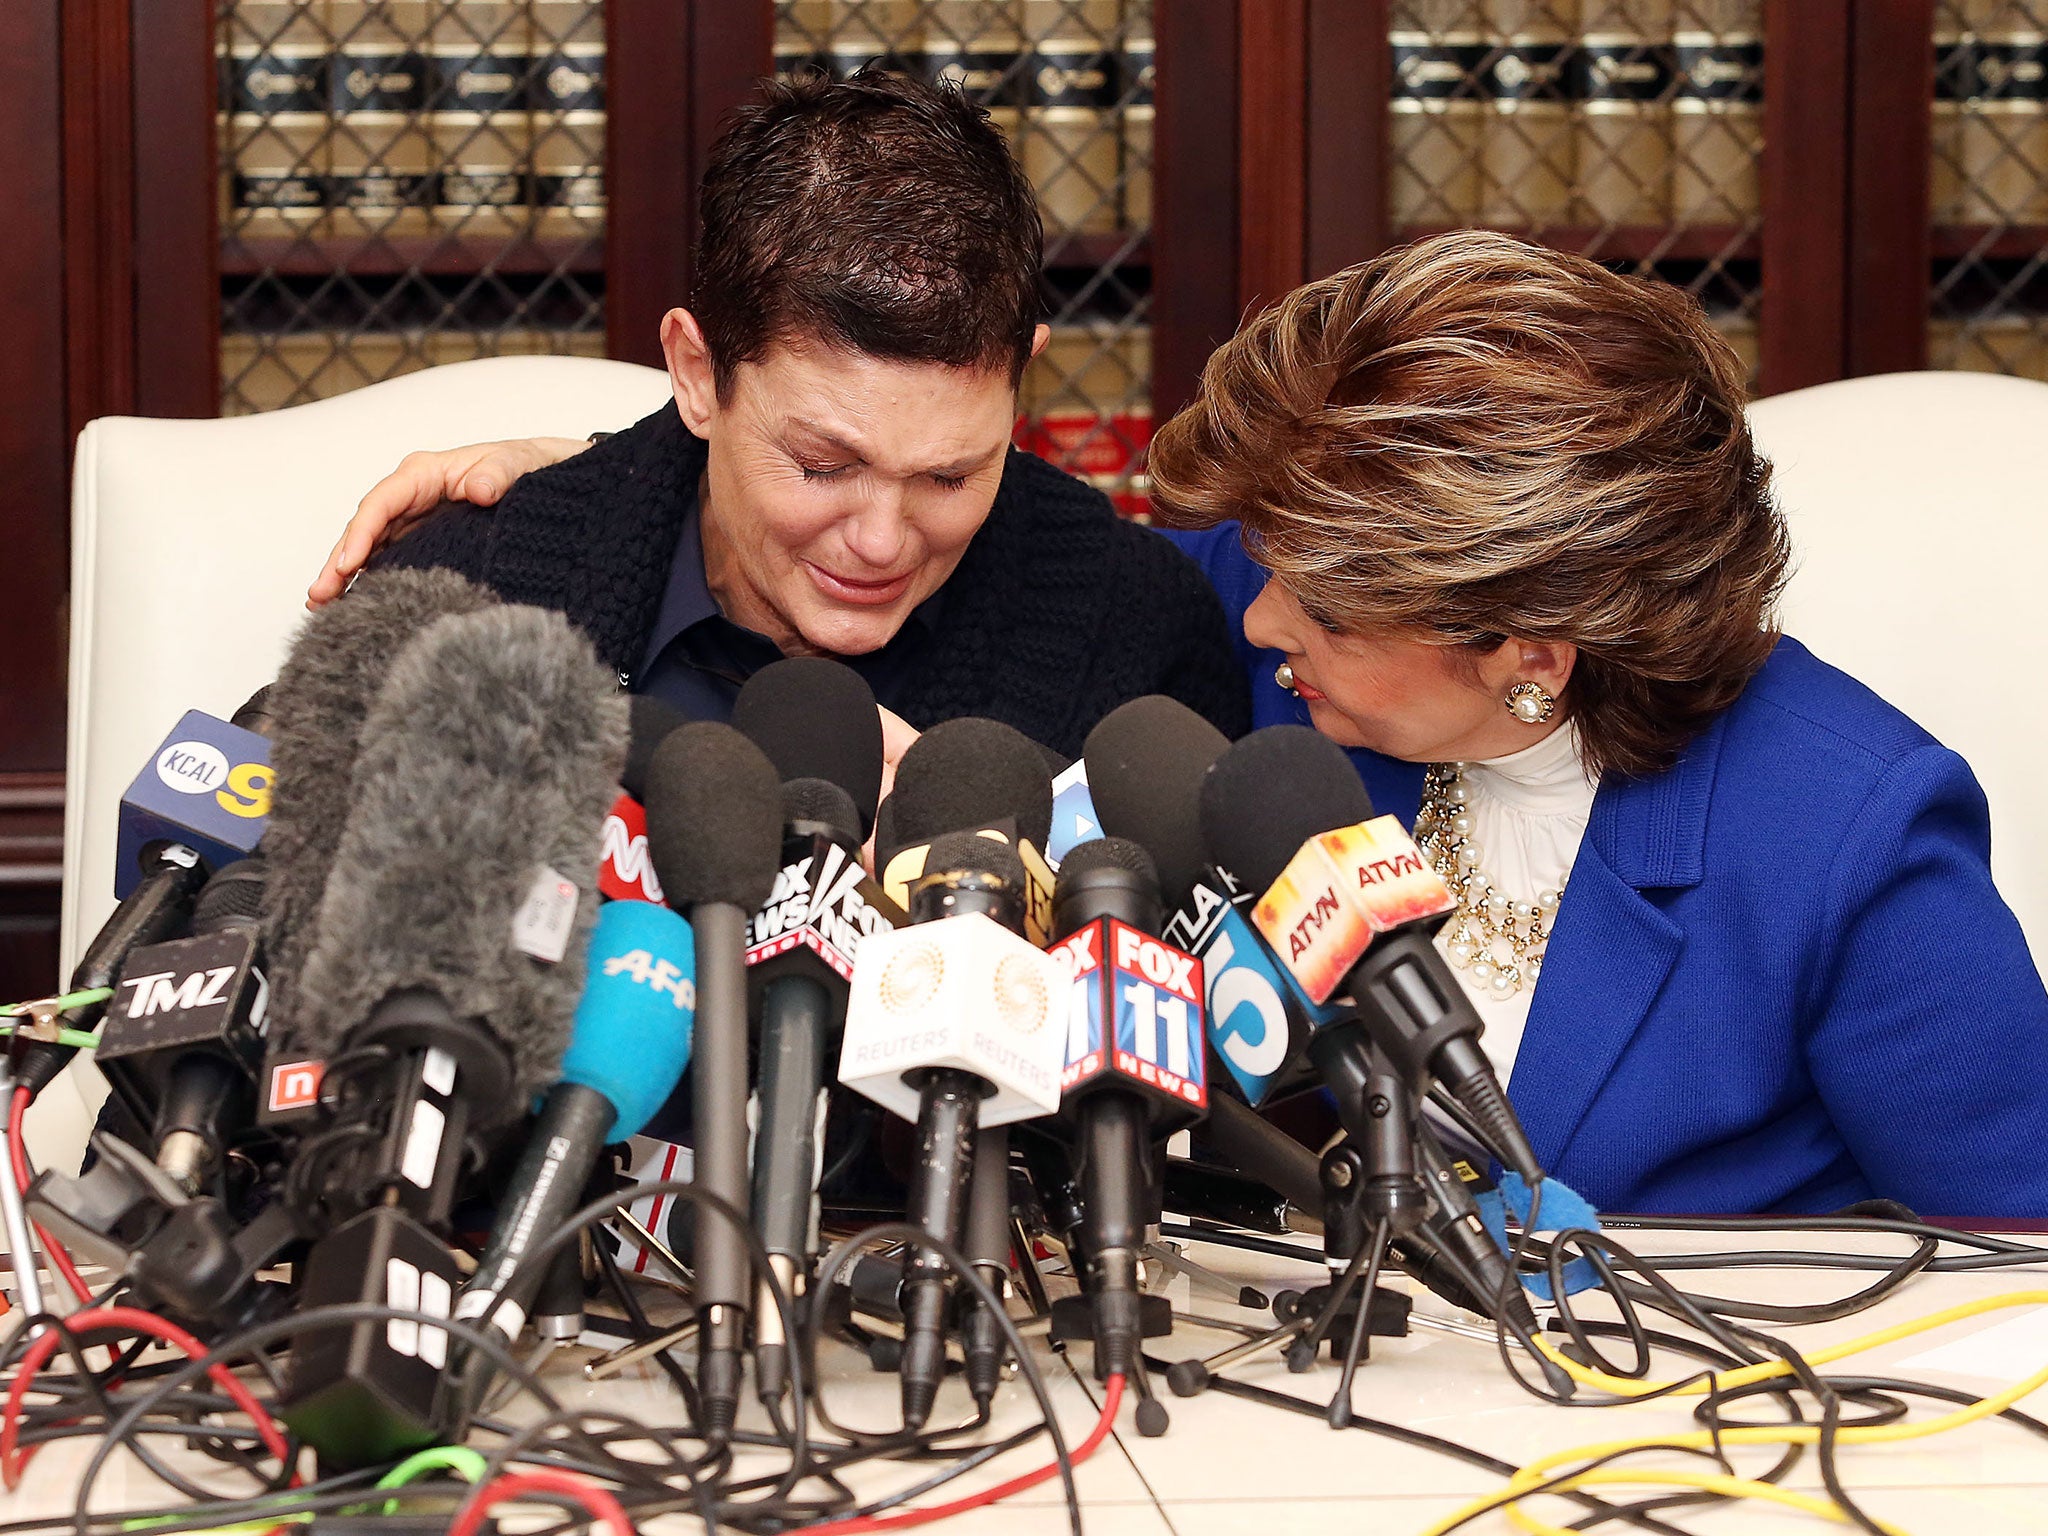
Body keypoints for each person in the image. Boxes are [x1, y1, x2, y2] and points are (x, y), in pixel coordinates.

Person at [1147, 232, 2048, 1217]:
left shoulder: (1851, 842)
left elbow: (2015, 1261)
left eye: (1322, 608)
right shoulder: (1300, 622)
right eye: (1266, 562)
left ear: (1532, 654)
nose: (1258, 620)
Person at [309, 68, 1248, 759]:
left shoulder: (1137, 628)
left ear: (1021, 381)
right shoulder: (472, 589)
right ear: (697, 373)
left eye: (949, 475)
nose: (881, 543)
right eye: (823, 465)